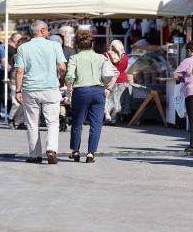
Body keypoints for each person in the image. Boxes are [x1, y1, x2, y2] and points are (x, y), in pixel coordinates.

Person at [15, 21, 67, 165]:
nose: (49, 32)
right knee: (53, 122)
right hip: (50, 88)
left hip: (30, 89)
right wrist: (62, 79)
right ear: (42, 31)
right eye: (47, 30)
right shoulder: (55, 46)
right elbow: (62, 67)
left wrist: (18, 90)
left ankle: (35, 154)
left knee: (32, 123)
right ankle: (51, 149)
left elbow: (19, 70)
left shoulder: (23, 48)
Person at [65, 30, 116, 163]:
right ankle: (90, 153)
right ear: (92, 43)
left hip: (81, 91)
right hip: (98, 91)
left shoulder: (74, 58)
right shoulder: (101, 57)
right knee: (96, 124)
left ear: (77, 44)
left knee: (77, 122)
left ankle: (75, 151)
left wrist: (69, 88)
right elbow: (114, 72)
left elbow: (70, 76)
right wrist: (108, 88)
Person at [173, 40, 193, 153]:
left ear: (190, 51)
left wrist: (181, 78)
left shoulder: (188, 61)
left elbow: (176, 74)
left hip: (192, 92)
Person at [103, 40, 130, 124]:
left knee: (108, 100)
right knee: (117, 101)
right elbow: (125, 68)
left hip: (109, 81)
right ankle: (114, 118)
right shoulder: (125, 57)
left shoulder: (105, 55)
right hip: (122, 81)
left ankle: (107, 115)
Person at [8, 36, 30, 128]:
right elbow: (19, 70)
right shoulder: (17, 56)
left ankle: (19, 121)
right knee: (16, 102)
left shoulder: (26, 54)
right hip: (15, 81)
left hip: (24, 81)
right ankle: (11, 118)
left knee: (23, 103)